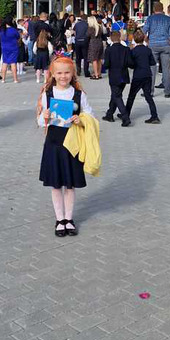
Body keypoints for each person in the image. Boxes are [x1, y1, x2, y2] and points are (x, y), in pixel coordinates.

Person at [37, 56, 94, 237]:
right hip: (54, 143)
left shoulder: (79, 94)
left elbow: (90, 116)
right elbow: (40, 121)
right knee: (56, 185)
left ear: (72, 73)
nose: (63, 76)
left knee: (70, 185)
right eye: (59, 73)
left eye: (67, 73)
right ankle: (59, 219)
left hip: (72, 146)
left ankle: (69, 218)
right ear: (53, 74)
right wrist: (45, 116)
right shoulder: (47, 94)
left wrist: (80, 120)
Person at [125, 29, 161, 124]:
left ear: (134, 39)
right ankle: (154, 115)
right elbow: (152, 63)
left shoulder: (133, 51)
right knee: (148, 96)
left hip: (138, 75)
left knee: (131, 96)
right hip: (147, 75)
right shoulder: (148, 50)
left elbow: (131, 64)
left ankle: (126, 114)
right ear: (143, 39)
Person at [143, 2, 170, 97]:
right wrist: (169, 40)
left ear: (153, 9)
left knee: (152, 69)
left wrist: (147, 41)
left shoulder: (150, 19)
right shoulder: (168, 19)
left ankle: (150, 92)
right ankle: (167, 92)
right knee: (166, 69)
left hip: (153, 44)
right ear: (163, 8)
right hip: (165, 44)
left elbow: (144, 32)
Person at [102, 30, 131, 126]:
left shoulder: (109, 50)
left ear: (111, 38)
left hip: (114, 76)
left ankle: (125, 117)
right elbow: (130, 63)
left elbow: (106, 65)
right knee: (115, 95)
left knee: (117, 96)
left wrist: (104, 65)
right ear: (119, 37)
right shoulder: (126, 49)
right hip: (124, 75)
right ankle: (109, 114)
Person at [0, 15, 21, 83]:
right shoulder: (14, 30)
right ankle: (15, 79)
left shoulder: (1, 30)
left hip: (4, 47)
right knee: (13, 63)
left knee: (4, 62)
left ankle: (3, 79)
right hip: (13, 47)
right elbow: (18, 37)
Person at [87, 15, 104, 80]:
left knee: (94, 59)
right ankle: (99, 74)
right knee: (99, 58)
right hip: (100, 42)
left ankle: (96, 74)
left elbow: (87, 35)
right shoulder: (99, 27)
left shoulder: (91, 28)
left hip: (93, 43)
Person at [73, 13, 90, 78]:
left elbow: (74, 32)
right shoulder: (87, 24)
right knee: (86, 57)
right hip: (85, 41)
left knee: (78, 56)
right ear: (86, 19)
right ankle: (86, 72)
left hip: (77, 41)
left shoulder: (77, 24)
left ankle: (78, 70)